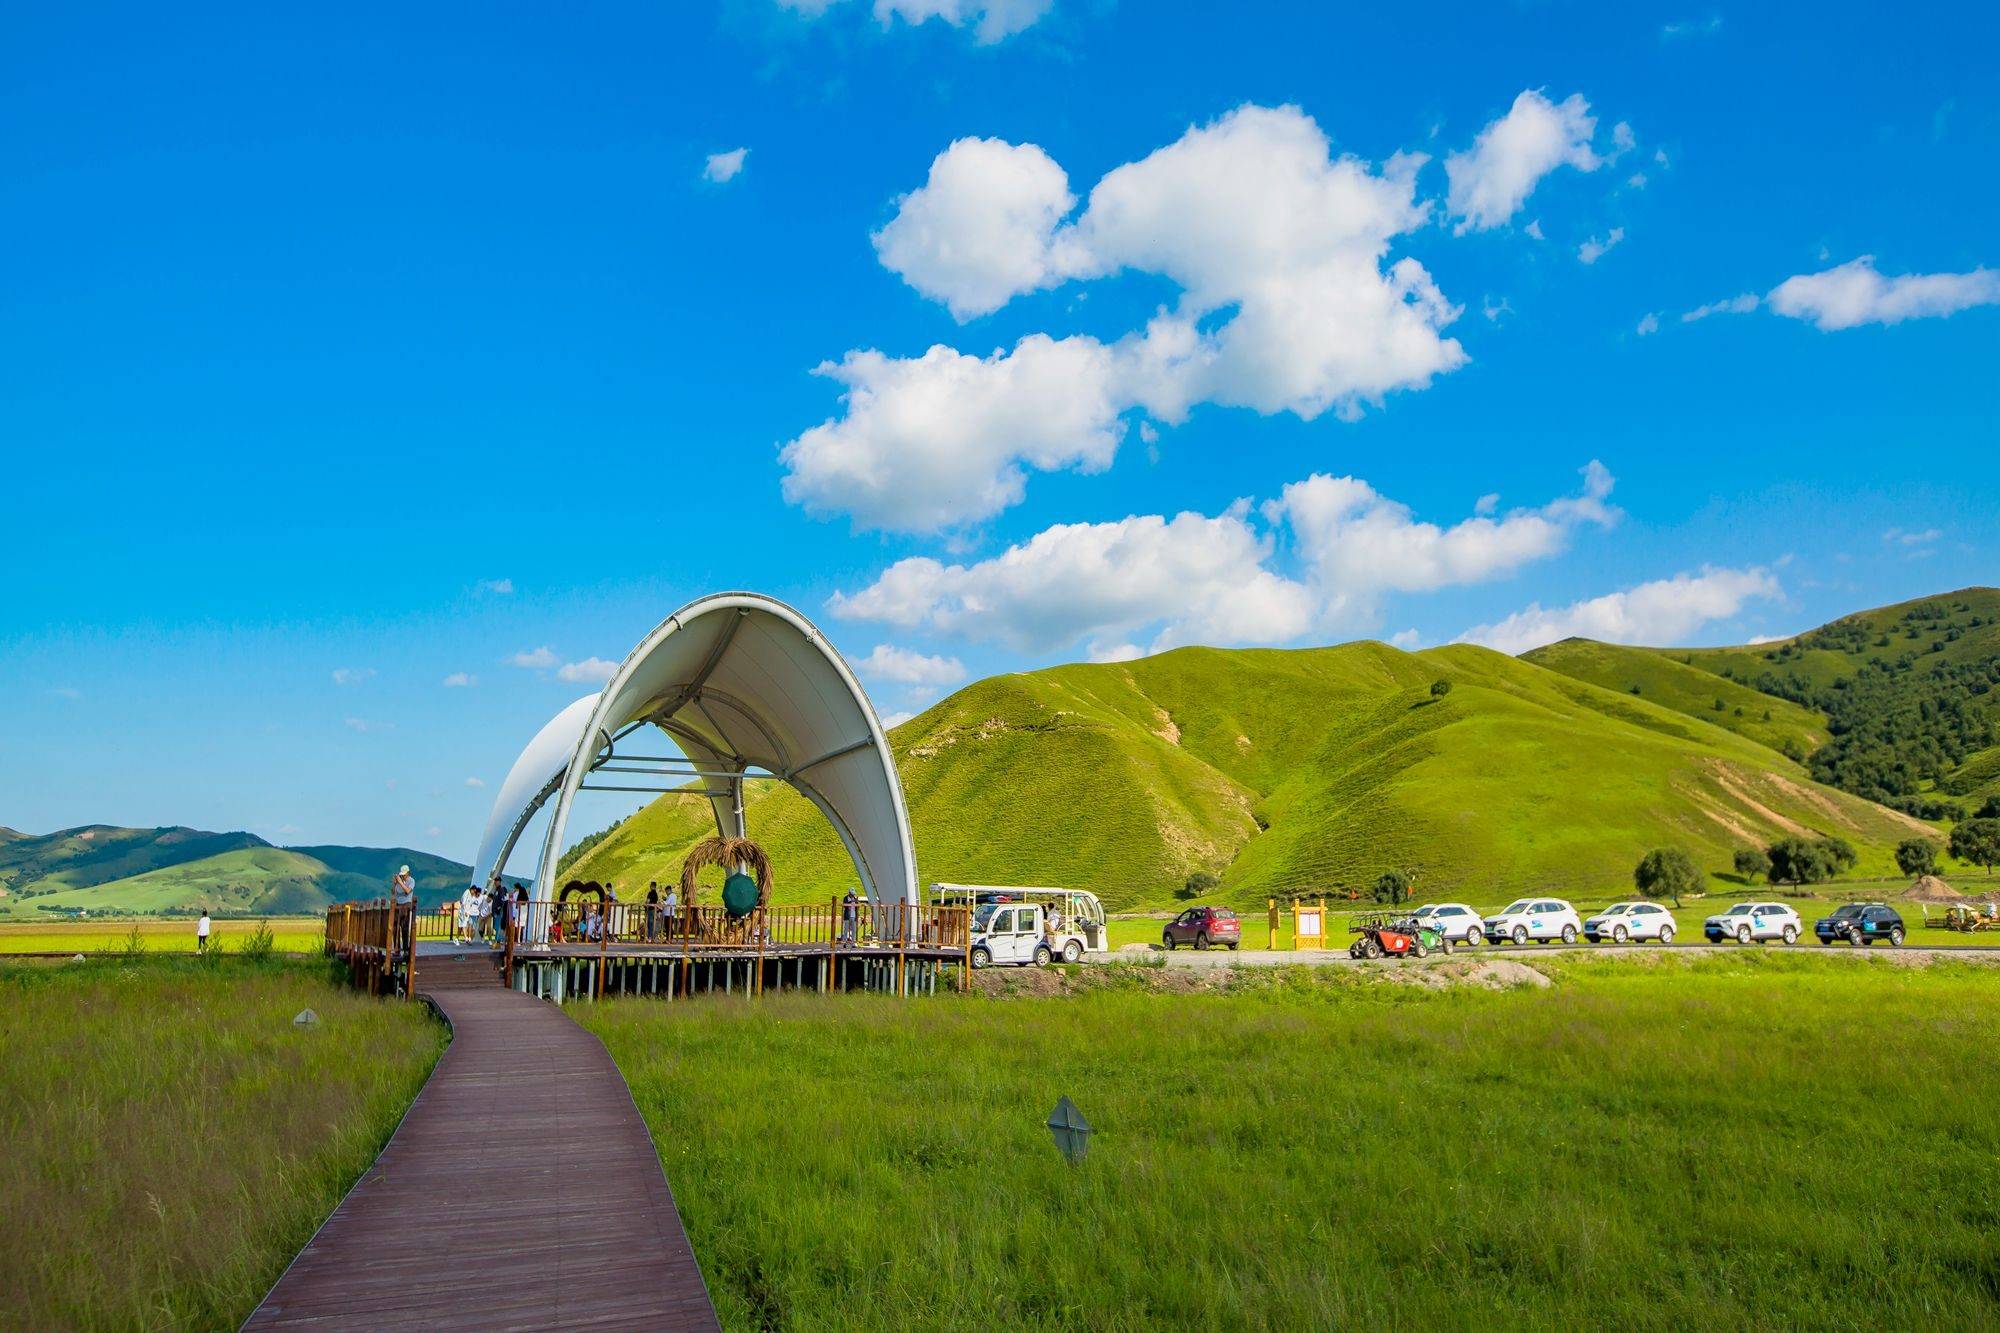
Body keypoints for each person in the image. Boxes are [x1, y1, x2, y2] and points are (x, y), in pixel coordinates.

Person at [391, 865, 416, 956]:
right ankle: (396, 949)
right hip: (398, 905)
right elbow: (393, 892)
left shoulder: (411, 881)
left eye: (404, 875)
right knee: (395, 928)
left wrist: (401, 882)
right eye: (402, 875)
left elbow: (407, 891)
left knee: (404, 928)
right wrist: (394, 883)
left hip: (406, 905)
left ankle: (406, 950)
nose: (403, 876)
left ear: (408, 873)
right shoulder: (398, 882)